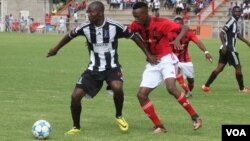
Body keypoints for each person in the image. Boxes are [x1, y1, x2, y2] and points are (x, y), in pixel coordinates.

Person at [47, 1, 156, 135]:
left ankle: (119, 116)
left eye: (90, 12)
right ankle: (76, 127)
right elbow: (69, 36)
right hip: (94, 69)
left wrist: (148, 54)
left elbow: (134, 36)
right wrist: (56, 49)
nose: (88, 14)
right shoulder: (85, 27)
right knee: (75, 96)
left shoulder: (114, 25)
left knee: (117, 87)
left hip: (112, 67)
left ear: (99, 13)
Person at [128, 2, 202, 133]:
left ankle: (195, 117)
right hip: (153, 62)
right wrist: (148, 54)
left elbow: (184, 28)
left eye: (139, 16)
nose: (136, 19)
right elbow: (131, 35)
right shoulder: (136, 25)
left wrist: (177, 39)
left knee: (171, 88)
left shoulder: (161, 22)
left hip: (167, 58)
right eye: (134, 16)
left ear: (146, 13)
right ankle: (159, 126)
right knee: (141, 95)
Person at [202, 6, 250, 93]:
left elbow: (237, 34)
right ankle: (242, 88)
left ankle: (206, 86)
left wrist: (247, 42)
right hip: (229, 48)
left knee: (219, 68)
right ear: (232, 12)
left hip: (225, 49)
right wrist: (224, 45)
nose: (238, 14)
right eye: (236, 12)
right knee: (238, 67)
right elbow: (221, 32)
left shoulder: (235, 22)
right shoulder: (231, 21)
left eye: (239, 12)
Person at [170, 17, 213, 97]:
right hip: (172, 59)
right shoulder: (169, 33)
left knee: (191, 80)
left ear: (183, 25)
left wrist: (206, 52)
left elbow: (198, 42)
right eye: (175, 24)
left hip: (185, 60)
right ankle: (185, 90)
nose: (177, 26)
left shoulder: (188, 33)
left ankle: (188, 91)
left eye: (179, 24)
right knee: (173, 76)